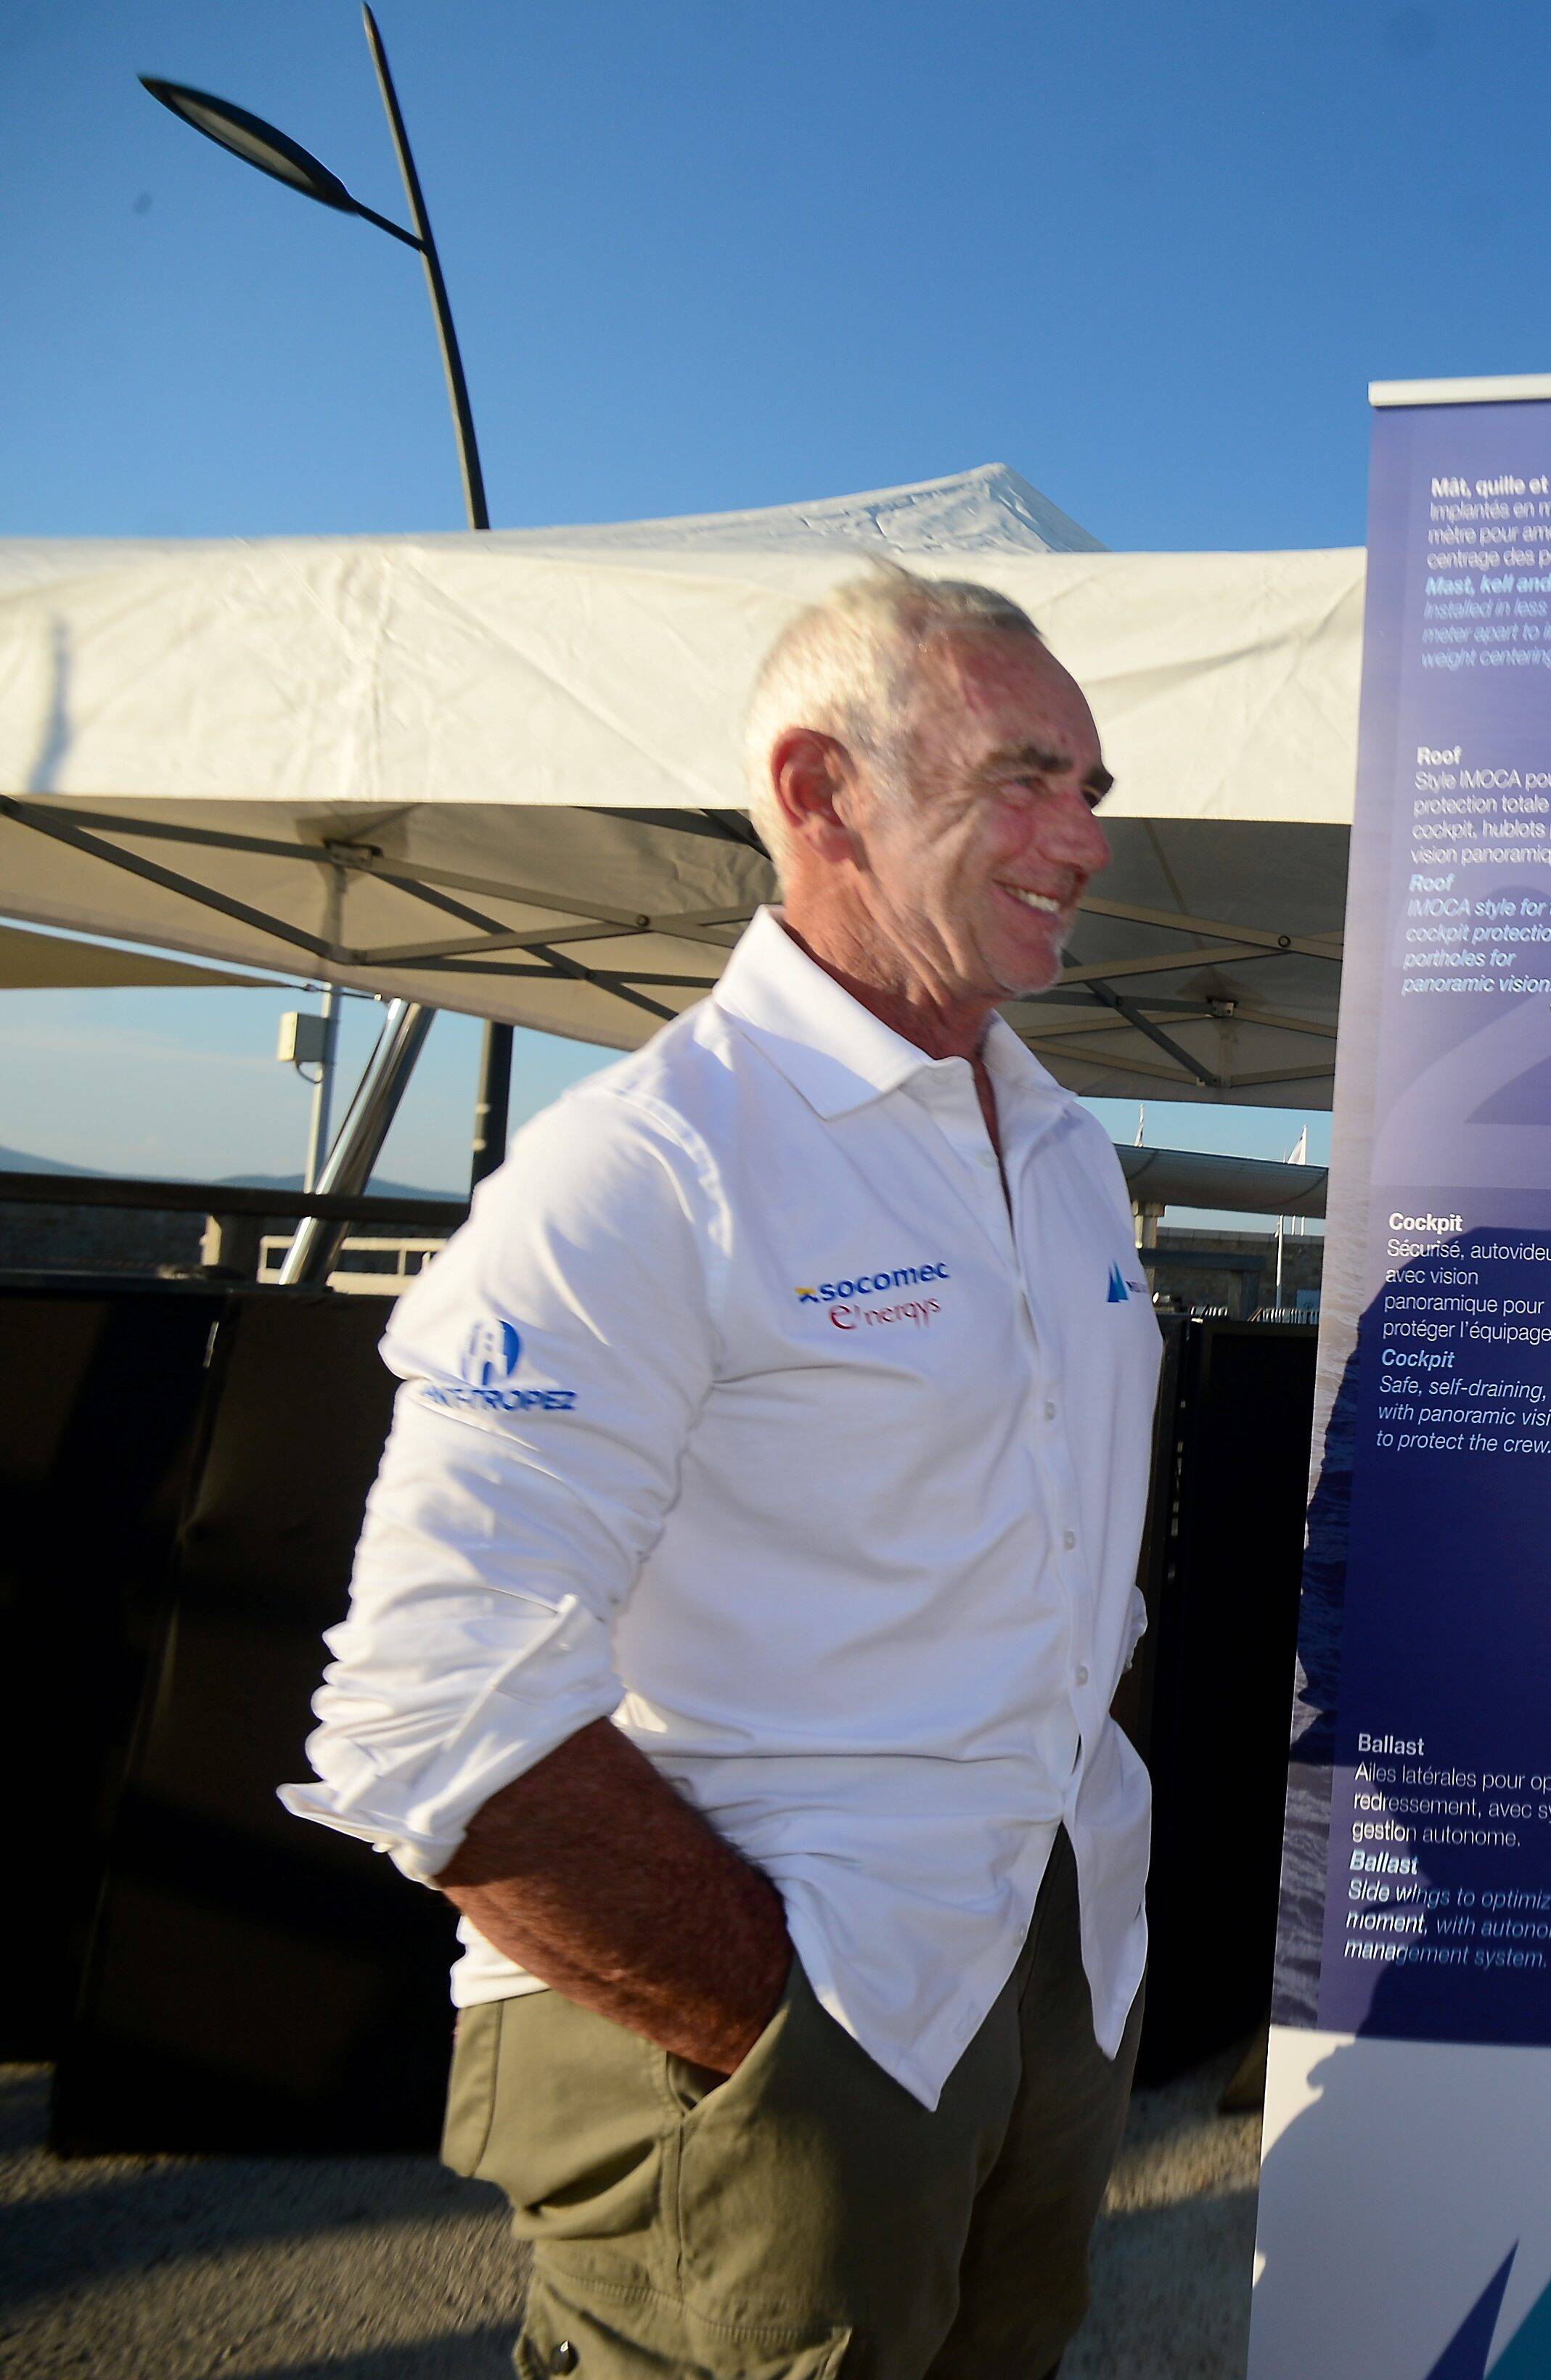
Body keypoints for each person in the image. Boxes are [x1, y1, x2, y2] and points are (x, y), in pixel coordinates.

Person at [285, 565, 1163, 2380]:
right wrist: (782, 2022)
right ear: (819, 789)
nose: (1082, 840)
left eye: (1092, 788)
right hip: (784, 2013)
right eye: (1025, 777)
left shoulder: (1067, 1155)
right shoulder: (649, 1166)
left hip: (1039, 1966)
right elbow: (428, 1707)